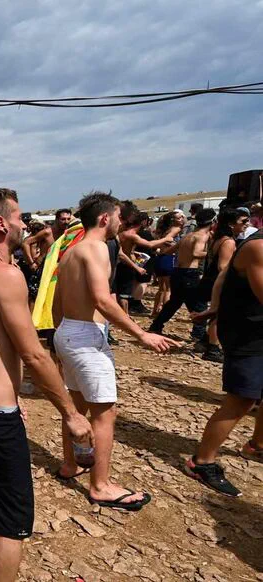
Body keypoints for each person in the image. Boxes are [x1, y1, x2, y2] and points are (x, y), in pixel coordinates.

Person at [0, 188, 93, 581]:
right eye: (18, 216)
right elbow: (33, 355)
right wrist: (71, 413)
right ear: (0, 224)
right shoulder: (5, 275)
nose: (23, 223)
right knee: (11, 523)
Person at [52, 193, 177, 511]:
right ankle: (101, 486)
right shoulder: (94, 248)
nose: (122, 223)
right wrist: (140, 333)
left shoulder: (71, 251)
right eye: (120, 216)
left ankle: (71, 465)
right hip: (84, 336)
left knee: (78, 408)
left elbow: (57, 300)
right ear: (105, 218)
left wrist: (58, 337)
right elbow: (102, 299)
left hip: (67, 330)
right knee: (105, 415)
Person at [186, 226, 263, 496]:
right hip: (250, 336)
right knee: (241, 399)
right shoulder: (258, 246)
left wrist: (216, 306)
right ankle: (202, 462)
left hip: (251, 329)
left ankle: (257, 444)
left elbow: (224, 276)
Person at [149, 208, 217, 342]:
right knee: (198, 305)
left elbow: (169, 251)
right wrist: (214, 254)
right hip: (190, 273)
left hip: (178, 272)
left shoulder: (188, 235)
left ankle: (156, 326)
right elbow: (196, 253)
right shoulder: (202, 236)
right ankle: (199, 335)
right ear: (212, 221)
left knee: (174, 303)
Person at [199, 208, 248, 363]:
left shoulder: (219, 238)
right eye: (243, 222)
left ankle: (206, 340)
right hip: (219, 281)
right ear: (231, 224)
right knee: (217, 315)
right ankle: (212, 348)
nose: (247, 224)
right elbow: (223, 266)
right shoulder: (228, 241)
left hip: (211, 279)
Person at [150, 211, 184, 317]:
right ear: (173, 220)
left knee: (161, 288)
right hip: (169, 258)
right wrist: (177, 244)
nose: (182, 218)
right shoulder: (176, 229)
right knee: (168, 289)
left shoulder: (163, 229)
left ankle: (155, 311)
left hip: (160, 258)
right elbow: (167, 240)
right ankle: (164, 313)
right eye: (179, 218)